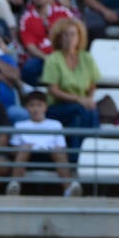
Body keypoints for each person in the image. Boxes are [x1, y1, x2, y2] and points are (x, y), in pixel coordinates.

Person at [42, 17, 101, 155]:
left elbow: (92, 85)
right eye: (66, 34)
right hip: (58, 106)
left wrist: (89, 99)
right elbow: (53, 90)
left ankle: (78, 156)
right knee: (83, 111)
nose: (69, 38)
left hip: (81, 106)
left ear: (79, 37)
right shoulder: (53, 59)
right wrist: (79, 99)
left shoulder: (87, 58)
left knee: (81, 117)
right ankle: (90, 153)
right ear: (59, 37)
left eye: (73, 34)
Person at [6, 89, 81, 197]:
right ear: (26, 107)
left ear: (45, 107)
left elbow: (61, 147)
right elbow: (13, 150)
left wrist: (53, 149)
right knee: (23, 149)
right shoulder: (20, 125)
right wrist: (24, 148)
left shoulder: (56, 124)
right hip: (28, 158)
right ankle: (14, 187)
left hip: (50, 157)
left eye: (39, 105)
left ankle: (68, 189)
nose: (36, 109)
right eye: (32, 105)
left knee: (58, 151)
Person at [18, 0, 74, 84]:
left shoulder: (63, 13)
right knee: (29, 69)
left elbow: (77, 34)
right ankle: (35, 97)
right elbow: (31, 47)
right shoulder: (26, 19)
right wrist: (46, 58)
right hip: (42, 58)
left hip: (64, 54)